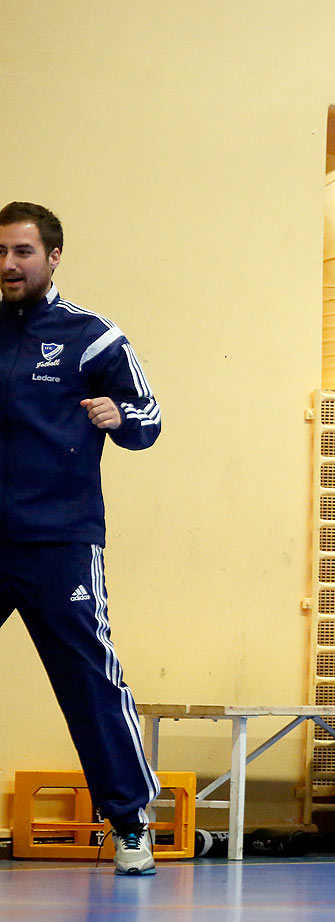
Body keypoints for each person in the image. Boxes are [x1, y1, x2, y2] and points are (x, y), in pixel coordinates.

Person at [0, 201, 163, 875]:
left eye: (22, 252)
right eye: (2, 253)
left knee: (89, 681)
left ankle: (129, 825)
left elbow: (149, 418)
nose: (8, 264)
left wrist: (117, 413)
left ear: (53, 258)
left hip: (59, 542)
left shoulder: (92, 337)